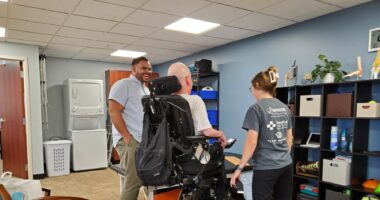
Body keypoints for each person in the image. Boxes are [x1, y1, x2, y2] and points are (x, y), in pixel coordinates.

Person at [230, 66, 293, 200]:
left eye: (251, 88)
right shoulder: (284, 107)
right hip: (286, 165)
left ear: (257, 85)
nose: (251, 91)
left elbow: (251, 142)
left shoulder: (256, 109)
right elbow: (289, 137)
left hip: (266, 168)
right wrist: (281, 156)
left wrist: (239, 169)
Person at [167, 62, 228, 199]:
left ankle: (192, 188)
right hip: (193, 158)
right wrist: (221, 134)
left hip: (172, 159)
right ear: (188, 80)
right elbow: (207, 132)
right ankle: (221, 195)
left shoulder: (164, 102)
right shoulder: (195, 100)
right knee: (219, 156)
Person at [108, 56, 152, 200]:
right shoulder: (123, 85)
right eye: (144, 68)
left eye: (149, 68)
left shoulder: (146, 90)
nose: (148, 71)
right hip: (129, 140)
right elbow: (113, 111)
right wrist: (127, 137)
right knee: (133, 182)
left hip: (143, 140)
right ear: (133, 69)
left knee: (147, 177)